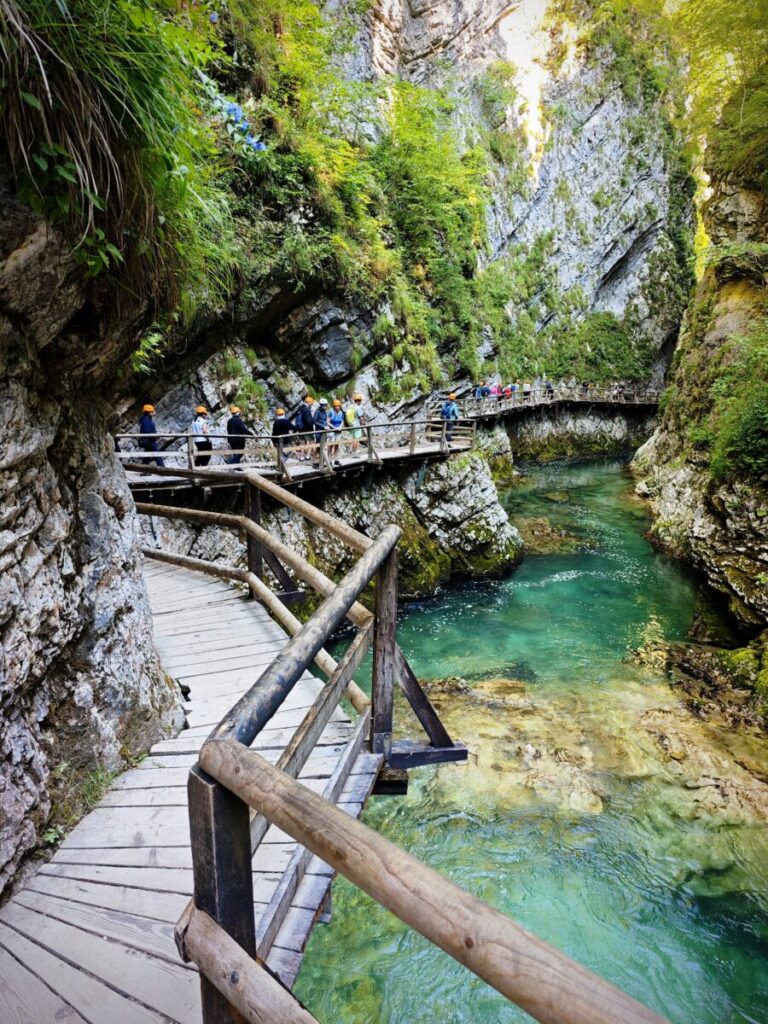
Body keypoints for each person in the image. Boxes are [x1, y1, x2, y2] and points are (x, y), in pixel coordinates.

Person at [292, 395, 315, 461]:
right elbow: (308, 421)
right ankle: (307, 456)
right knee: (312, 442)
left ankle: (301, 457)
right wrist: (312, 426)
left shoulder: (300, 408)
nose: (312, 405)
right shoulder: (307, 410)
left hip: (300, 429)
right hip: (307, 429)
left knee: (302, 443)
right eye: (311, 404)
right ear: (309, 403)